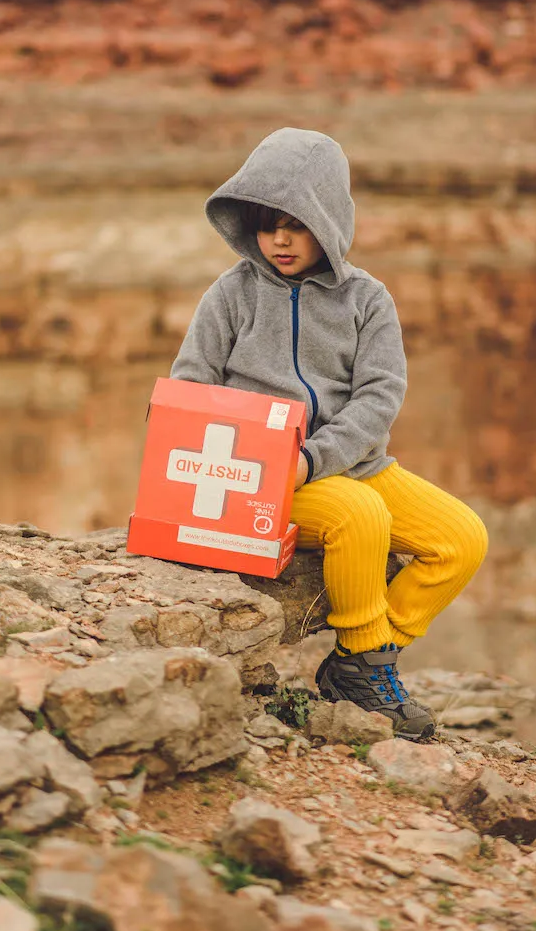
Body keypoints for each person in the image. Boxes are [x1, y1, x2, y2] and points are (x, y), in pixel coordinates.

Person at [170, 127, 488, 741]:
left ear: (330, 219)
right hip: (259, 473)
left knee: (461, 538)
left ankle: (357, 665)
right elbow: (191, 387)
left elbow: (379, 396)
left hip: (346, 463)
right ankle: (369, 658)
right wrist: (253, 458)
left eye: (295, 222)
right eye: (265, 224)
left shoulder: (367, 299)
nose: (279, 240)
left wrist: (315, 459)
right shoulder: (231, 295)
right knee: (358, 515)